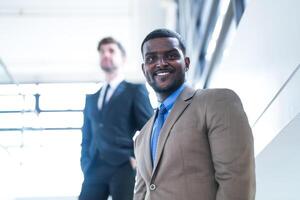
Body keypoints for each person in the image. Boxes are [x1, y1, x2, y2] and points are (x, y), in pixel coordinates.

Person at [133, 29, 256, 200]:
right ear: (144, 69)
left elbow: (236, 181)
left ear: (187, 63)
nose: (160, 63)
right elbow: (141, 194)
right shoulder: (143, 135)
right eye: (151, 58)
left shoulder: (216, 102)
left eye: (170, 56)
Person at [79, 37, 153, 200]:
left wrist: (137, 159)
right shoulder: (92, 98)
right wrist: (85, 162)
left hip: (124, 165)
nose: (106, 54)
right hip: (94, 166)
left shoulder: (135, 90)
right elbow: (86, 136)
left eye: (111, 50)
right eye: (102, 51)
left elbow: (149, 129)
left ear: (123, 58)